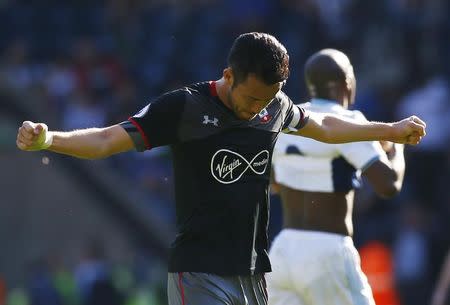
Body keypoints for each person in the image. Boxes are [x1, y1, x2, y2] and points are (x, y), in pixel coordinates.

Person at [16, 33, 426, 305]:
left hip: (252, 273)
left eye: (267, 101)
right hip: (198, 270)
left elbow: (325, 127)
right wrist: (49, 139)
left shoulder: (274, 106)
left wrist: (389, 128)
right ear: (228, 75)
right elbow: (107, 140)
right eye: (250, 99)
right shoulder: (183, 108)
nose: (257, 110)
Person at [267, 48, 407, 305]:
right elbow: (388, 184)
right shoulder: (349, 121)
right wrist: (397, 149)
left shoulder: (288, 119)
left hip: (283, 251)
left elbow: (274, 182)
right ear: (347, 83)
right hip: (327, 251)